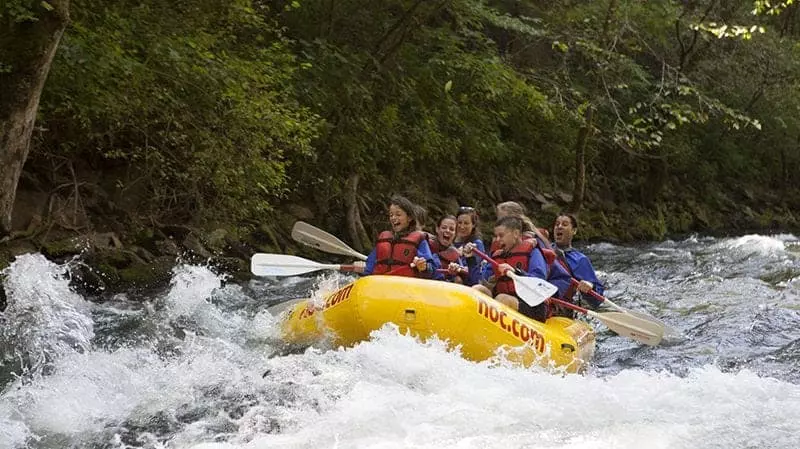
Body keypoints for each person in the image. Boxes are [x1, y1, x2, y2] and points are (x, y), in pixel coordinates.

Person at [464, 216, 571, 322]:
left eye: (501, 235)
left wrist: (516, 272)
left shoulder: (533, 252)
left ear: (515, 234)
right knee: (478, 289)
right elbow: (478, 281)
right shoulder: (497, 256)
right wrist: (470, 260)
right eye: (496, 236)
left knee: (502, 298)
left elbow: (539, 281)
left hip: (533, 305)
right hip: (506, 299)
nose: (497, 240)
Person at [355, 195, 437, 277]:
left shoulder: (419, 240)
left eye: (398, 214)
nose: (393, 218)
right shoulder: (384, 238)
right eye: (391, 215)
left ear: (409, 218)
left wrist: (424, 267)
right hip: (381, 283)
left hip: (405, 285)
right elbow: (369, 267)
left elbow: (431, 269)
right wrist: (361, 270)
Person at [552, 213, 604, 309]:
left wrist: (590, 286)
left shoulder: (580, 260)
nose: (559, 226)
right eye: (557, 224)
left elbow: (598, 300)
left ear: (574, 231)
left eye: (565, 224)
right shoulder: (543, 248)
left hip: (560, 309)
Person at [427, 215, 466, 282]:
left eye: (451, 229)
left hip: (444, 286)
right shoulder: (426, 244)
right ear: (437, 229)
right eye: (444, 227)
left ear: (455, 234)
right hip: (423, 284)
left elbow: (464, 274)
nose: (447, 231)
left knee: (458, 280)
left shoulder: (455, 254)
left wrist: (454, 272)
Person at [453, 206, 485, 286]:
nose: (462, 226)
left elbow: (474, 270)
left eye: (466, 223)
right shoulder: (450, 241)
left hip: (468, 283)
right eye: (459, 223)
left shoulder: (477, 244)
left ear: (473, 225)